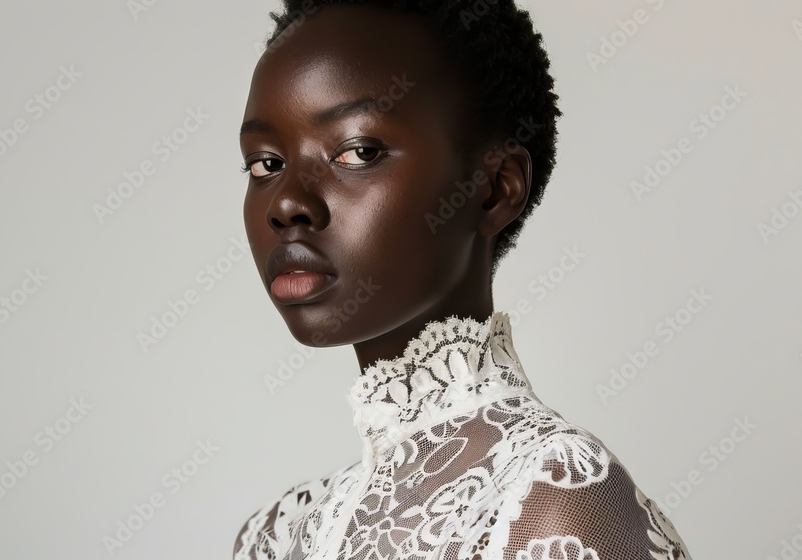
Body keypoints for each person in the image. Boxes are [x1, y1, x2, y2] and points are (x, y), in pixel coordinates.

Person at [234, 1, 693, 558]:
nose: (286, 203)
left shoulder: (555, 494)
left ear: (496, 190)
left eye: (357, 151)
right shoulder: (275, 535)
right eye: (265, 164)